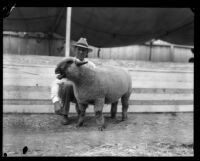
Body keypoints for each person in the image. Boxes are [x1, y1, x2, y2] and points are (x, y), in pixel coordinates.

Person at [51, 38, 96, 125]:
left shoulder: (91, 66)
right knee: (68, 85)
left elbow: (96, 82)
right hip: (69, 93)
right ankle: (64, 114)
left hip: (84, 94)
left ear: (87, 52)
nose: (81, 52)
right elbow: (56, 82)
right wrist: (55, 101)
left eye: (83, 50)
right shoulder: (68, 64)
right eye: (79, 49)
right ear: (75, 50)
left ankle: (81, 113)